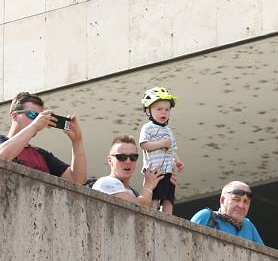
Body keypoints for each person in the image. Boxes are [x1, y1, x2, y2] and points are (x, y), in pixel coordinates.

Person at [0, 92, 87, 184]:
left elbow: (76, 180)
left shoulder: (42, 155)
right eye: (32, 114)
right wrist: (34, 126)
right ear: (14, 116)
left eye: (39, 116)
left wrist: (77, 141)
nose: (37, 119)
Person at [138, 87, 184, 215]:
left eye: (167, 109)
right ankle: (153, 215)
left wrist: (178, 161)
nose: (163, 112)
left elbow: (172, 149)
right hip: (154, 171)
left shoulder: (168, 131)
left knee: (168, 198)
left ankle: (168, 217)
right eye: (159, 109)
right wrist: (161, 143)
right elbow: (144, 145)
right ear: (148, 111)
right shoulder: (147, 127)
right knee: (155, 197)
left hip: (168, 170)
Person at [90, 134, 168, 207]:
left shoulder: (134, 193)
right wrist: (148, 186)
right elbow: (140, 206)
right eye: (121, 157)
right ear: (110, 160)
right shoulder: (106, 182)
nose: (128, 161)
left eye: (133, 157)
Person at [191, 181, 264, 245]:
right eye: (236, 199)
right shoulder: (206, 216)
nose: (241, 205)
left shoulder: (248, 225)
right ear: (222, 200)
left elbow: (263, 258)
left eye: (246, 202)